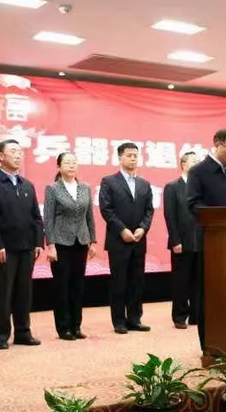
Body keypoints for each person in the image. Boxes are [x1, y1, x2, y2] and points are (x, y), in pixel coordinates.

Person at [187, 129, 226, 352]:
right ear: (217, 144)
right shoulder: (198, 172)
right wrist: (223, 219)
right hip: (210, 244)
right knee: (209, 296)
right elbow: (193, 205)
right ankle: (210, 346)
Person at [0, 139, 44, 350]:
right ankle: (0, 335)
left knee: (24, 292)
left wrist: (38, 242)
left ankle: (23, 332)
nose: (18, 155)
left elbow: (36, 217)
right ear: (0, 156)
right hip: (4, 249)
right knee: (3, 293)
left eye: (20, 152)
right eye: (13, 151)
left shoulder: (27, 184)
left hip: (27, 247)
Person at [99, 142, 154, 333]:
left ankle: (135, 319)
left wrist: (143, 228)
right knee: (119, 282)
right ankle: (119, 321)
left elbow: (149, 210)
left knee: (137, 282)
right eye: (129, 155)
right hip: (118, 240)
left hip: (138, 239)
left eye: (135, 155)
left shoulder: (144, 184)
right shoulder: (109, 181)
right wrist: (122, 229)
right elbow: (106, 209)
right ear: (119, 157)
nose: (133, 159)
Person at [43, 152, 97, 341]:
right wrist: (50, 245)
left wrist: (93, 241)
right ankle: (64, 328)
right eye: (67, 162)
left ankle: (76, 325)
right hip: (61, 243)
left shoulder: (85, 187)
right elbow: (48, 218)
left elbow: (90, 216)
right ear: (59, 167)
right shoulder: (53, 188)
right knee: (62, 286)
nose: (71, 165)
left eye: (74, 162)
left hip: (81, 242)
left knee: (77, 285)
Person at [163, 151, 201, 329]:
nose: (197, 164)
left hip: (199, 241)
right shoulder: (173, 187)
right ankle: (179, 316)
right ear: (184, 164)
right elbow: (170, 216)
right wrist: (175, 240)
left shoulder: (200, 188)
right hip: (181, 241)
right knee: (181, 281)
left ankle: (196, 315)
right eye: (194, 161)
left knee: (198, 281)